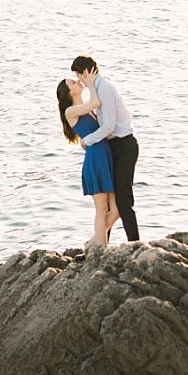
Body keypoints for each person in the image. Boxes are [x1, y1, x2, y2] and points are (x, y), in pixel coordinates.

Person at [70, 55, 139, 240]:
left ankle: (134, 244)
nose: (79, 80)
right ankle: (101, 245)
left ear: (85, 73)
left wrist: (87, 141)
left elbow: (108, 126)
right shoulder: (97, 90)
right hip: (112, 147)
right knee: (108, 205)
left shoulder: (105, 89)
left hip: (124, 146)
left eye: (78, 76)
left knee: (123, 201)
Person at [56, 71, 120, 246]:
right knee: (101, 209)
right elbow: (96, 102)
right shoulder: (71, 111)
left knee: (116, 210)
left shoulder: (85, 107)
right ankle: (102, 249)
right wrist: (91, 83)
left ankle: (93, 242)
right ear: (70, 93)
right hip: (95, 161)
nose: (77, 81)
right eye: (73, 83)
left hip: (105, 156)